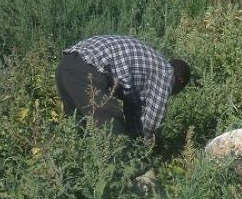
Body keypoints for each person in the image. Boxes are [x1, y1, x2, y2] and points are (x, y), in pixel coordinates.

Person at [55, 35, 191, 143]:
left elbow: (134, 115)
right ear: (180, 81)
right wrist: (151, 146)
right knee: (113, 131)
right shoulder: (166, 72)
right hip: (87, 71)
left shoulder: (145, 68)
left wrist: (135, 139)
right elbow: (153, 121)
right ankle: (132, 177)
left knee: (79, 131)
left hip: (66, 64)